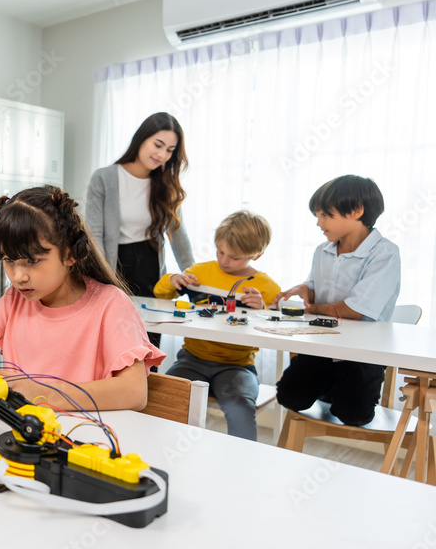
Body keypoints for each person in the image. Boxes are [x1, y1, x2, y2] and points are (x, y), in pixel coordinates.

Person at [0, 185, 164, 411]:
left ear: (69, 254)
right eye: (9, 260)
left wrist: (43, 393)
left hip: (83, 439)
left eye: (33, 261)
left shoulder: (111, 305)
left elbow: (134, 393)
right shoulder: (14, 300)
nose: (18, 277)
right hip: (19, 437)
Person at [273, 175, 401, 427]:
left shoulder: (385, 253)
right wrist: (304, 288)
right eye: (317, 216)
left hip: (363, 351)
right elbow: (315, 286)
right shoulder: (323, 250)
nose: (319, 223)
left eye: (326, 215)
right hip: (324, 344)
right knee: (289, 397)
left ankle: (344, 386)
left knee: (353, 415)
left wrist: (313, 308)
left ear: (356, 211)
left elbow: (353, 310)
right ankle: (332, 383)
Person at [154, 211, 281, 440]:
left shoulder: (265, 286)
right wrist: (173, 279)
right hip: (192, 359)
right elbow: (159, 293)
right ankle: (161, 450)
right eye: (220, 252)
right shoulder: (201, 272)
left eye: (234, 257)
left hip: (238, 366)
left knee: (240, 407)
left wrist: (263, 309)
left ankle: (238, 465)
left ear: (257, 255)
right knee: (163, 397)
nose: (224, 260)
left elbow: (278, 323)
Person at [85, 112, 194, 349]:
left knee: (148, 345)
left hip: (151, 268)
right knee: (115, 344)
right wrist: (102, 281)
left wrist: (197, 279)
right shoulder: (104, 178)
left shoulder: (166, 184)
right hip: (114, 266)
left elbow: (178, 235)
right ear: (141, 138)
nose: (162, 155)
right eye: (158, 145)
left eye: (170, 150)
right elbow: (95, 235)